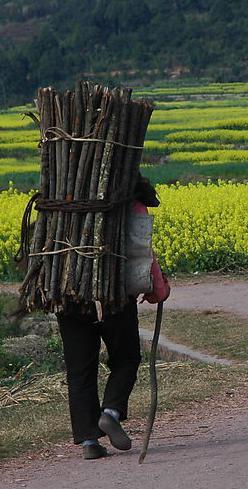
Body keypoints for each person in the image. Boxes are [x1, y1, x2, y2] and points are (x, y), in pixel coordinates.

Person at [56, 176, 170, 460]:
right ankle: (111, 411)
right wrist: (158, 287)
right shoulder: (129, 205)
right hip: (114, 297)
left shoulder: (59, 202)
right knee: (127, 358)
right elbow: (141, 250)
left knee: (80, 370)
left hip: (69, 298)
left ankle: (89, 442)